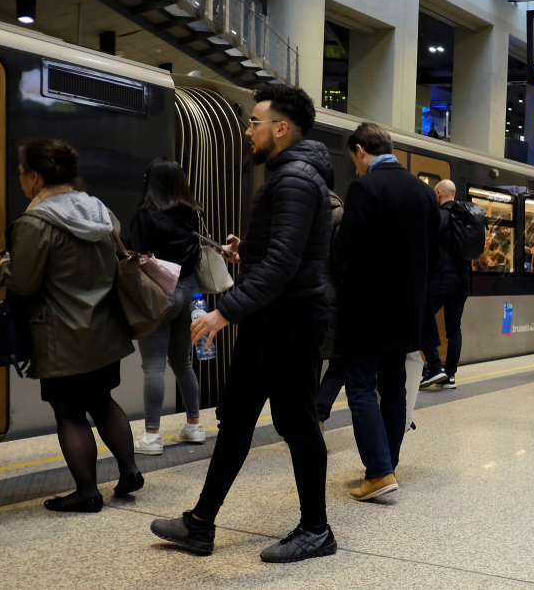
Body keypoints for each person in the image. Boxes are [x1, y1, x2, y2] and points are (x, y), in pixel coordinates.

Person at [150, 86, 337, 562]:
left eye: (254, 122)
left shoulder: (294, 178)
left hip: (290, 319)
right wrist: (244, 251)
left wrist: (224, 310)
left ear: (281, 128)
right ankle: (200, 524)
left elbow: (285, 264)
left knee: (297, 424)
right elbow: (276, 253)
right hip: (270, 317)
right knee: (236, 417)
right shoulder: (287, 176)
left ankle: (317, 530)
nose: (247, 131)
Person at [0, 139, 141, 513]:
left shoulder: (36, 222)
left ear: (34, 176)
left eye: (20, 172)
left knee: (70, 413)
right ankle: (129, 471)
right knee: (102, 400)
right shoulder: (98, 210)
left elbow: (23, 282)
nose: (20, 179)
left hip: (62, 335)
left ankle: (86, 491)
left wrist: (4, 264)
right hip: (105, 329)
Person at [333, 122, 440, 501]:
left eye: (355, 160)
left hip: (366, 308)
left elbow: (346, 247)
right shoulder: (424, 193)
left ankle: (378, 472)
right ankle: (386, 465)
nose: (356, 168)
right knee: (393, 388)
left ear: (361, 149)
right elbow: (432, 253)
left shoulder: (366, 187)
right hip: (408, 308)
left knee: (360, 385)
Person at [127, 158, 205, 454]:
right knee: (183, 361)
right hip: (190, 292)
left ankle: (152, 436)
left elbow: (134, 256)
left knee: (154, 365)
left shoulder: (146, 216)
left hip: (161, 295)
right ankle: (195, 426)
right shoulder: (192, 214)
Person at [421, 179, 471, 389]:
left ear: (439, 193)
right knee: (454, 328)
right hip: (463, 279)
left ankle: (434, 367)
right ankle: (450, 376)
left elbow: (427, 248)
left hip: (442, 277)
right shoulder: (466, 218)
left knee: (422, 316)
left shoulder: (439, 216)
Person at [315, 171, 346, 428]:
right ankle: (319, 412)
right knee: (341, 358)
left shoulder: (300, 209)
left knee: (310, 358)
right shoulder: (340, 213)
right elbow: (343, 260)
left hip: (304, 294)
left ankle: (307, 416)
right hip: (334, 294)